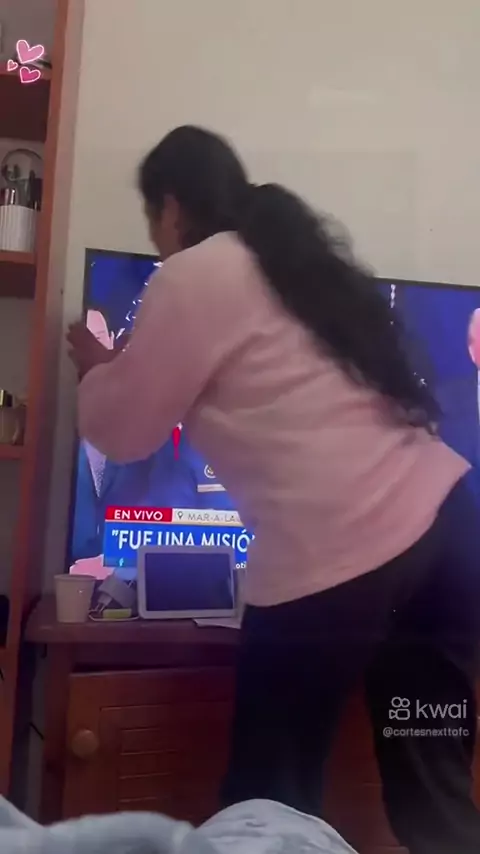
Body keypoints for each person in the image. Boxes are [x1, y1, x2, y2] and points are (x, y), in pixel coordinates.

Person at [67, 126, 480, 854]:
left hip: (342, 560)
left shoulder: (195, 273)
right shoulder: (296, 265)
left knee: (267, 798)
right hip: (447, 542)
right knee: (432, 793)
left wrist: (98, 368)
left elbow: (123, 431)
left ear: (171, 207)